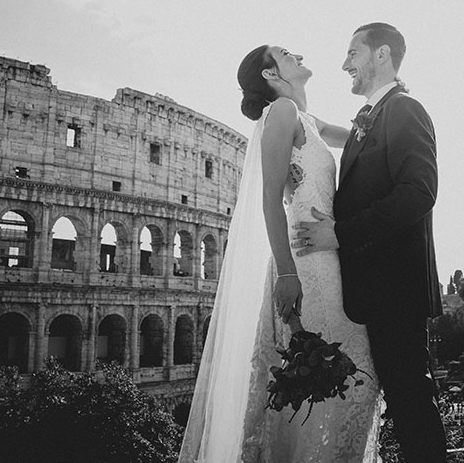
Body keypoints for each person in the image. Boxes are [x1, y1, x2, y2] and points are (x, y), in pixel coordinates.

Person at [178, 45, 381, 462]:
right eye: (287, 53)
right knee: (343, 377)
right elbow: (271, 201)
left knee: (344, 380)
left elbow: (366, 136)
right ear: (271, 75)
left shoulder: (306, 118)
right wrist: (287, 275)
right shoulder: (283, 111)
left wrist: (384, 106)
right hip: (307, 262)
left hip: (328, 255)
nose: (299, 54)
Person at [294, 23, 446, 462]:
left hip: (396, 289)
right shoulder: (373, 118)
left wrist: (338, 233)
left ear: (381, 55)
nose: (344, 64)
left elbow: (419, 193)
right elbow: (361, 169)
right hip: (378, 291)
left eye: (352, 53)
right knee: (404, 402)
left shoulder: (405, 110)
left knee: (411, 403)